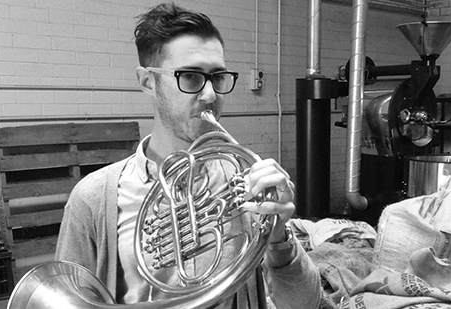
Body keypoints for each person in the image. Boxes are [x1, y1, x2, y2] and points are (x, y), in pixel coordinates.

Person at [55, 3, 322, 308]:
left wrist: (279, 240)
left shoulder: (248, 186)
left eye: (218, 77)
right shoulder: (92, 199)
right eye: (191, 77)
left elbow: (306, 304)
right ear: (147, 81)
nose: (210, 95)